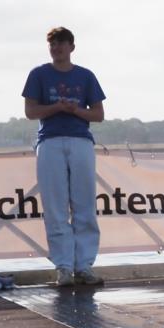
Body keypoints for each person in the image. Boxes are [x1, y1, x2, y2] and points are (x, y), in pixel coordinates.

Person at [22, 27, 106, 287]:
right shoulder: (38, 74)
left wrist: (75, 110)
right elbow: (30, 111)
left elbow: (98, 114)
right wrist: (56, 107)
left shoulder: (85, 76)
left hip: (80, 140)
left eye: (61, 43)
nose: (57, 48)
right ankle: (64, 268)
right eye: (53, 44)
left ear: (71, 46)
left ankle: (84, 266)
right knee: (55, 206)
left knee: (84, 205)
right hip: (50, 141)